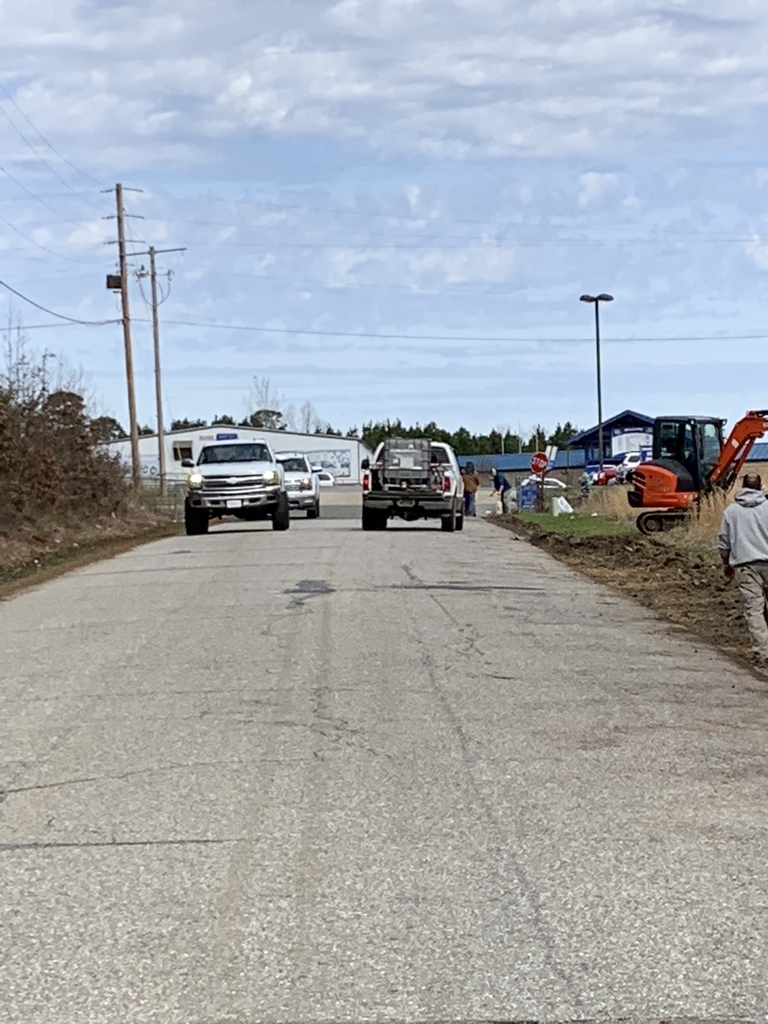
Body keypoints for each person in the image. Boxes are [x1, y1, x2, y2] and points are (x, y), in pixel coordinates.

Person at [717, 472, 768, 668]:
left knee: (754, 610)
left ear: (743, 486)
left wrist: (726, 564)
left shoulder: (731, 512)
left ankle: (763, 654)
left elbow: (724, 542)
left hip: (745, 566)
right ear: (760, 486)